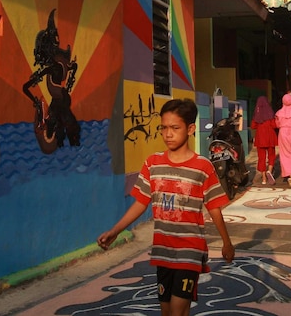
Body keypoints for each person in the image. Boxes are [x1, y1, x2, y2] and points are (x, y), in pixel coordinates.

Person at [97, 99, 235, 316]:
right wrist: (115, 231)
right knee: (168, 311)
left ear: (190, 129)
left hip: (190, 250)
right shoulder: (152, 164)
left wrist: (227, 243)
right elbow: (141, 203)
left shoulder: (203, 167)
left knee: (177, 312)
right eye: (164, 128)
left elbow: (214, 207)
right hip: (163, 251)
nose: (168, 133)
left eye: (175, 128)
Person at [251, 96, 278, 185]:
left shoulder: (257, 115)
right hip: (270, 137)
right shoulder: (270, 114)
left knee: (261, 157)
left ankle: (263, 178)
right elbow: (275, 125)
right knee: (271, 155)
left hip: (260, 138)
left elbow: (253, 126)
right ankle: (269, 170)